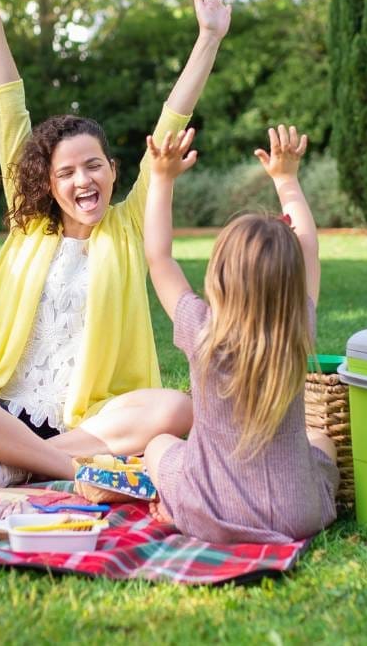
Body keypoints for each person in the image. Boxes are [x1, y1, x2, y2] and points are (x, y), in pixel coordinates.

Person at [0, 0, 230, 486]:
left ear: (114, 171)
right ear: (48, 184)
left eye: (93, 166)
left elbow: (171, 122)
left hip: (88, 421)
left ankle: (12, 465)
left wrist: (208, 37)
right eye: (67, 172)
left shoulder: (129, 226)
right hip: (4, 409)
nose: (83, 181)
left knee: (176, 408)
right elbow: (9, 103)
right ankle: (69, 469)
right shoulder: (28, 223)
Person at [140, 124, 339, 544]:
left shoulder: (201, 330)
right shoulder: (297, 326)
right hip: (295, 515)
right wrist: (286, 180)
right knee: (321, 439)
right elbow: (309, 248)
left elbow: (159, 259)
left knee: (158, 445)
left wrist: (161, 179)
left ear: (220, 276)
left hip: (210, 512)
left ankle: (174, 506)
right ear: (291, 282)